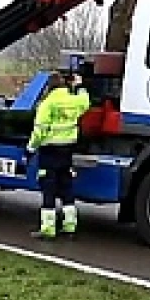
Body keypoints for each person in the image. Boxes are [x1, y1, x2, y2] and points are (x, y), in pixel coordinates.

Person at [28, 68, 90, 239]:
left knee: (49, 189)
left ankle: (48, 229)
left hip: (49, 151)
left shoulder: (47, 104)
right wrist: (80, 86)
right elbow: (85, 102)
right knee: (66, 188)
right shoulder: (74, 100)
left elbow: (39, 131)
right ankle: (70, 227)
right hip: (67, 149)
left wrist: (30, 148)